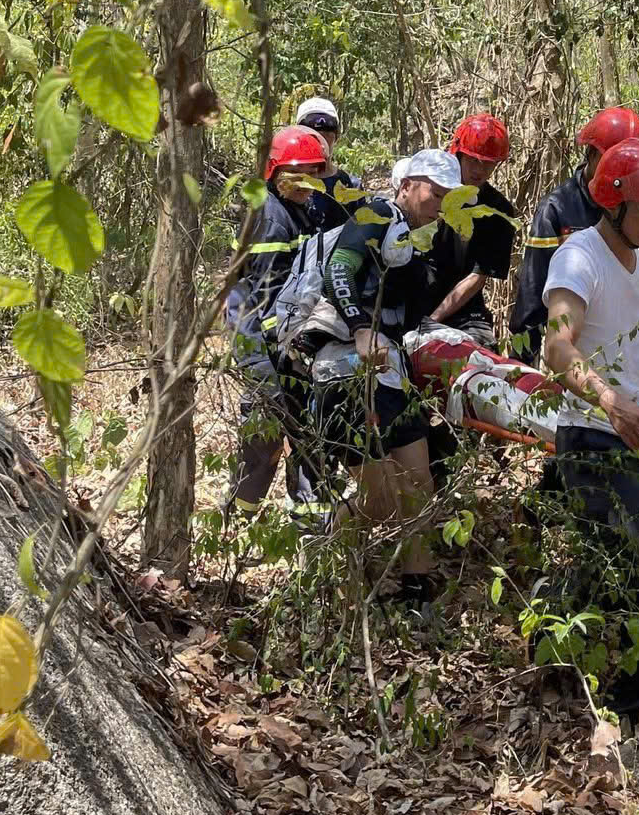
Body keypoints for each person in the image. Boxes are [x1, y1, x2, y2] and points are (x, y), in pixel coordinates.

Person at [541, 136, 639, 716]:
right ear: (612, 203)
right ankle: (554, 635)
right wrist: (608, 400)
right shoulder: (578, 258)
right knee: (621, 567)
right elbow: (557, 348)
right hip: (596, 435)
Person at [278, 149, 465, 598]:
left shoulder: (421, 237)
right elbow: (339, 269)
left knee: (418, 480)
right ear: (406, 186)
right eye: (433, 192)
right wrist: (362, 330)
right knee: (377, 497)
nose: (438, 202)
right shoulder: (378, 213)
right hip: (345, 366)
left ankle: (416, 581)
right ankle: (327, 575)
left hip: (390, 370)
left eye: (446, 195)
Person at [222, 125, 346, 518]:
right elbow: (267, 296)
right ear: (275, 173)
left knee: (309, 427)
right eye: (298, 174)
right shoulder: (272, 219)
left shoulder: (300, 210)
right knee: (267, 431)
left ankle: (311, 519)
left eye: (313, 172)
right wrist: (290, 349)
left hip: (286, 341)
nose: (308, 182)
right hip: (261, 341)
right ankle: (237, 517)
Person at [509, 106, 639, 366]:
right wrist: (520, 368)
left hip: (634, 363)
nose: (622, 170)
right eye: (613, 158)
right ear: (590, 154)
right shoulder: (558, 208)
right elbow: (532, 296)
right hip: (580, 368)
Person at [422, 113, 518, 348]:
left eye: (488, 163)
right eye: (473, 160)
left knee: (482, 357)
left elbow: (478, 276)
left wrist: (433, 321)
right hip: (414, 300)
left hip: (465, 313)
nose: (480, 169)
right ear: (459, 154)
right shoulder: (427, 191)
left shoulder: (498, 210)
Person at [296, 96, 363, 195]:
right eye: (313, 136)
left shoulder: (350, 185)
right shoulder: (290, 183)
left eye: (326, 135)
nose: (320, 142)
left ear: (337, 137)